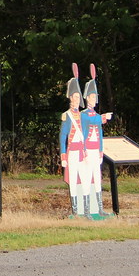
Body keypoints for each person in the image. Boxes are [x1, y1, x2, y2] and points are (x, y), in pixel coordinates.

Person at [81, 64, 113, 219]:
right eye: (93, 97)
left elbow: (99, 134)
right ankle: (86, 210)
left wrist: (101, 150)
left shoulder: (95, 115)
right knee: (87, 179)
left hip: (96, 151)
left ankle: (100, 208)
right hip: (87, 151)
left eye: (96, 97)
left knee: (97, 178)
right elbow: (88, 122)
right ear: (87, 98)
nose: (95, 100)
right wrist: (101, 118)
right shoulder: (84, 114)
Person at [59, 63, 90, 218]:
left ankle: (86, 210)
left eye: (79, 97)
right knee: (73, 180)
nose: (77, 99)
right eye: (75, 97)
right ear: (71, 98)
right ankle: (76, 211)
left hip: (82, 152)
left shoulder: (83, 115)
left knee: (84, 179)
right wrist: (63, 156)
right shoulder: (67, 115)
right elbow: (63, 136)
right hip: (72, 152)